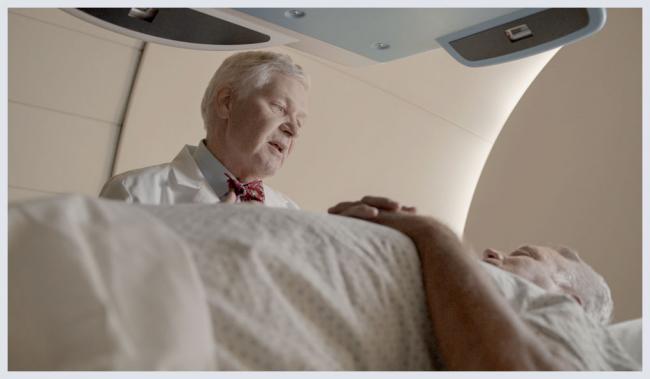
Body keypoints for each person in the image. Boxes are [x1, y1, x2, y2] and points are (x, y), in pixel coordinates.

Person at [328, 196, 635, 371]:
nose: (492, 252)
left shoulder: (576, 333)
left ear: (570, 305)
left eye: (524, 255)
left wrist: (433, 234)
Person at [100, 51, 309, 208]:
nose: (294, 131)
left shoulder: (290, 212)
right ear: (226, 102)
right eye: (280, 108)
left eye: (299, 121)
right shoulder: (134, 193)